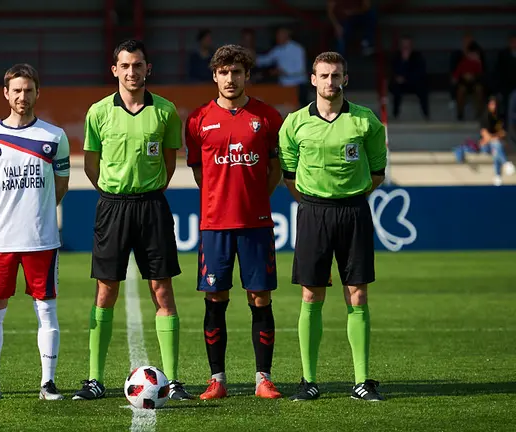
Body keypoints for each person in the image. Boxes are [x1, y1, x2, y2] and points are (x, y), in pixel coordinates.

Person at [73, 39, 192, 401]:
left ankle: (170, 381)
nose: (131, 72)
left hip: (152, 207)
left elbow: (170, 164)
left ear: (147, 69)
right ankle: (94, 378)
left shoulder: (166, 112)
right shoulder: (98, 112)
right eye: (125, 66)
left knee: (162, 290)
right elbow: (91, 165)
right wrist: (113, 193)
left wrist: (146, 191)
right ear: (114, 70)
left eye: (137, 65)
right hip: (112, 207)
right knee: (106, 291)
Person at [278, 51, 387, 402]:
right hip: (313, 213)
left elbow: (377, 172)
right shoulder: (294, 123)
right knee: (311, 295)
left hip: (354, 212)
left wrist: (348, 197)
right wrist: (314, 202)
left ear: (345, 79)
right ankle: (308, 380)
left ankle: (362, 381)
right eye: (324, 76)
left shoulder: (366, 121)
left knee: (357, 294)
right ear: (312, 79)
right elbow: (289, 175)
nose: (330, 82)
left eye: (336, 75)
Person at [184, 44, 284, 400]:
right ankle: (218, 380)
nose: (230, 78)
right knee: (216, 298)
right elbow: (199, 172)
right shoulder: (197, 120)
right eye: (224, 72)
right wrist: (220, 198)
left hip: (256, 224)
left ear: (247, 76)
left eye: (236, 72)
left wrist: (255, 197)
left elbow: (274, 169)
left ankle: (263, 379)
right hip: (215, 225)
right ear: (214, 76)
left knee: (260, 298)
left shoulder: (268, 117)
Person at [0, 63, 71, 401]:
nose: (22, 96)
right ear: (6, 93)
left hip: (42, 239)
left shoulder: (54, 137)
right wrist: (8, 213)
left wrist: (36, 212)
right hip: (0, 240)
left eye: (28, 90)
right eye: (16, 90)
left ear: (37, 93)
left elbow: (61, 185)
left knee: (47, 310)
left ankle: (48, 383)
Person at [480, 96, 514, 186]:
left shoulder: (500, 117)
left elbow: (503, 133)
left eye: (495, 104)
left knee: (496, 149)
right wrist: (495, 137)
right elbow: (485, 135)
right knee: (496, 145)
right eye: (491, 104)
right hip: (485, 146)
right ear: (488, 105)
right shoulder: (485, 117)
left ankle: (498, 175)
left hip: (496, 145)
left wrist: (494, 137)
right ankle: (505, 164)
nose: (493, 106)